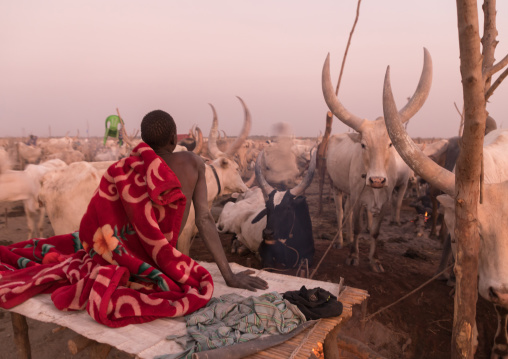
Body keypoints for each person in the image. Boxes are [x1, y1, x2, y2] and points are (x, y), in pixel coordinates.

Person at [140, 109, 268, 292]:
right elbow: (203, 219)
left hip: (133, 262)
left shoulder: (128, 166)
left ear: (144, 141)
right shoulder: (191, 163)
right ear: (174, 139)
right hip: (163, 262)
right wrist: (229, 276)